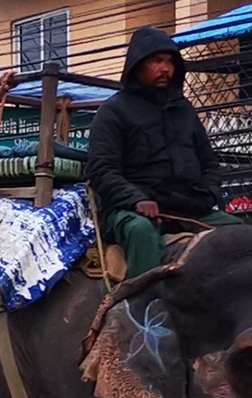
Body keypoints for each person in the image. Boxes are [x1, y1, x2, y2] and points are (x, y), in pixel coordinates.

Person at [83, 24, 223, 279]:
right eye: (156, 61)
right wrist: (136, 199)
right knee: (140, 232)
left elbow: (209, 163)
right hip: (131, 210)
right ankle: (143, 312)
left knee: (242, 234)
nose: (165, 69)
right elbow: (102, 170)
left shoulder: (185, 110)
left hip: (187, 207)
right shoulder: (113, 111)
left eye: (170, 62)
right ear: (137, 64)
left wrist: (209, 194)